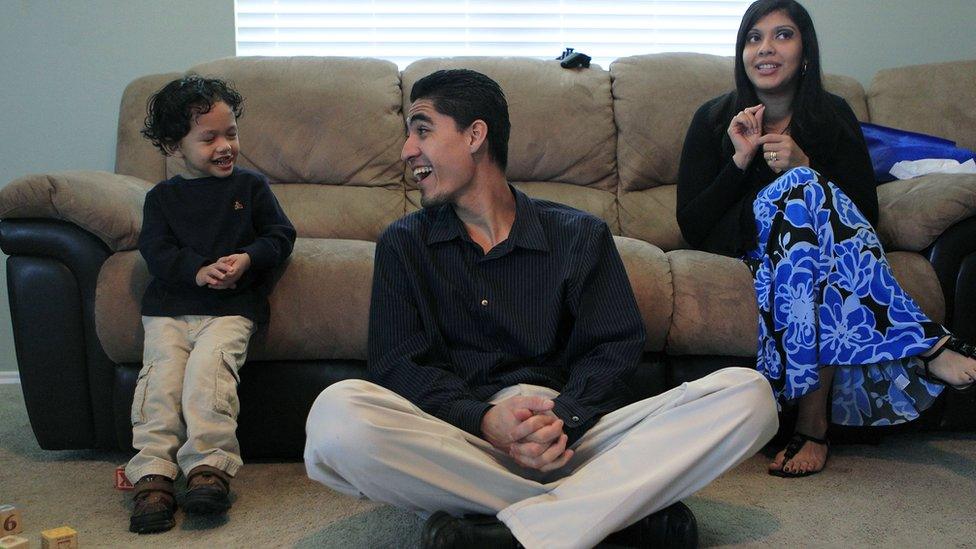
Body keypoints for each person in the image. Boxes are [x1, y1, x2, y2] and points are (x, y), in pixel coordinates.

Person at [304, 68, 779, 549]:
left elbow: (613, 348)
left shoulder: (580, 234)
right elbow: (397, 365)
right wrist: (485, 419)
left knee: (749, 395)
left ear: (475, 135)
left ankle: (501, 533)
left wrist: (562, 420)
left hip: (577, 437)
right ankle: (612, 515)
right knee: (336, 416)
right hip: (464, 441)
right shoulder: (403, 244)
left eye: (422, 129)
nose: (407, 150)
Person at [677, 0, 976, 478]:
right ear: (741, 53)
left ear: (805, 54)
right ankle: (922, 344)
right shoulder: (713, 120)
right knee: (798, 194)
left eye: (782, 35)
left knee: (806, 203)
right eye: (754, 38)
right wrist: (739, 162)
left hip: (819, 252)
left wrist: (805, 166)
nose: (765, 49)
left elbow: (863, 213)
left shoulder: (833, 115)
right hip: (755, 245)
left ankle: (810, 425)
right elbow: (692, 225)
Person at [125, 76, 296, 533]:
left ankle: (209, 467)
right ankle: (153, 474)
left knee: (208, 377)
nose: (225, 146)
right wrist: (196, 270)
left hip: (230, 310)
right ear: (173, 145)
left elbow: (281, 236)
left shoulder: (252, 188)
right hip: (169, 311)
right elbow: (156, 251)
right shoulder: (160, 199)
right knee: (160, 383)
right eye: (209, 138)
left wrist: (248, 258)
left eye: (231, 133)